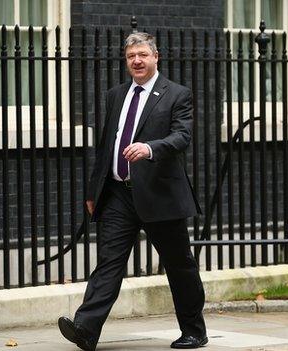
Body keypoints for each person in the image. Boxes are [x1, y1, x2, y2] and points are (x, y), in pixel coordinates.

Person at [57, 32, 208, 350]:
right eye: (130, 56)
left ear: (156, 57)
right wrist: (94, 189)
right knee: (109, 261)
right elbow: (106, 145)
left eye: (142, 54)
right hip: (118, 194)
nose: (136, 61)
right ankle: (86, 328)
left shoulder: (176, 94)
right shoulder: (116, 94)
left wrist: (150, 148)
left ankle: (194, 330)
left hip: (160, 195)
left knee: (179, 264)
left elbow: (182, 137)